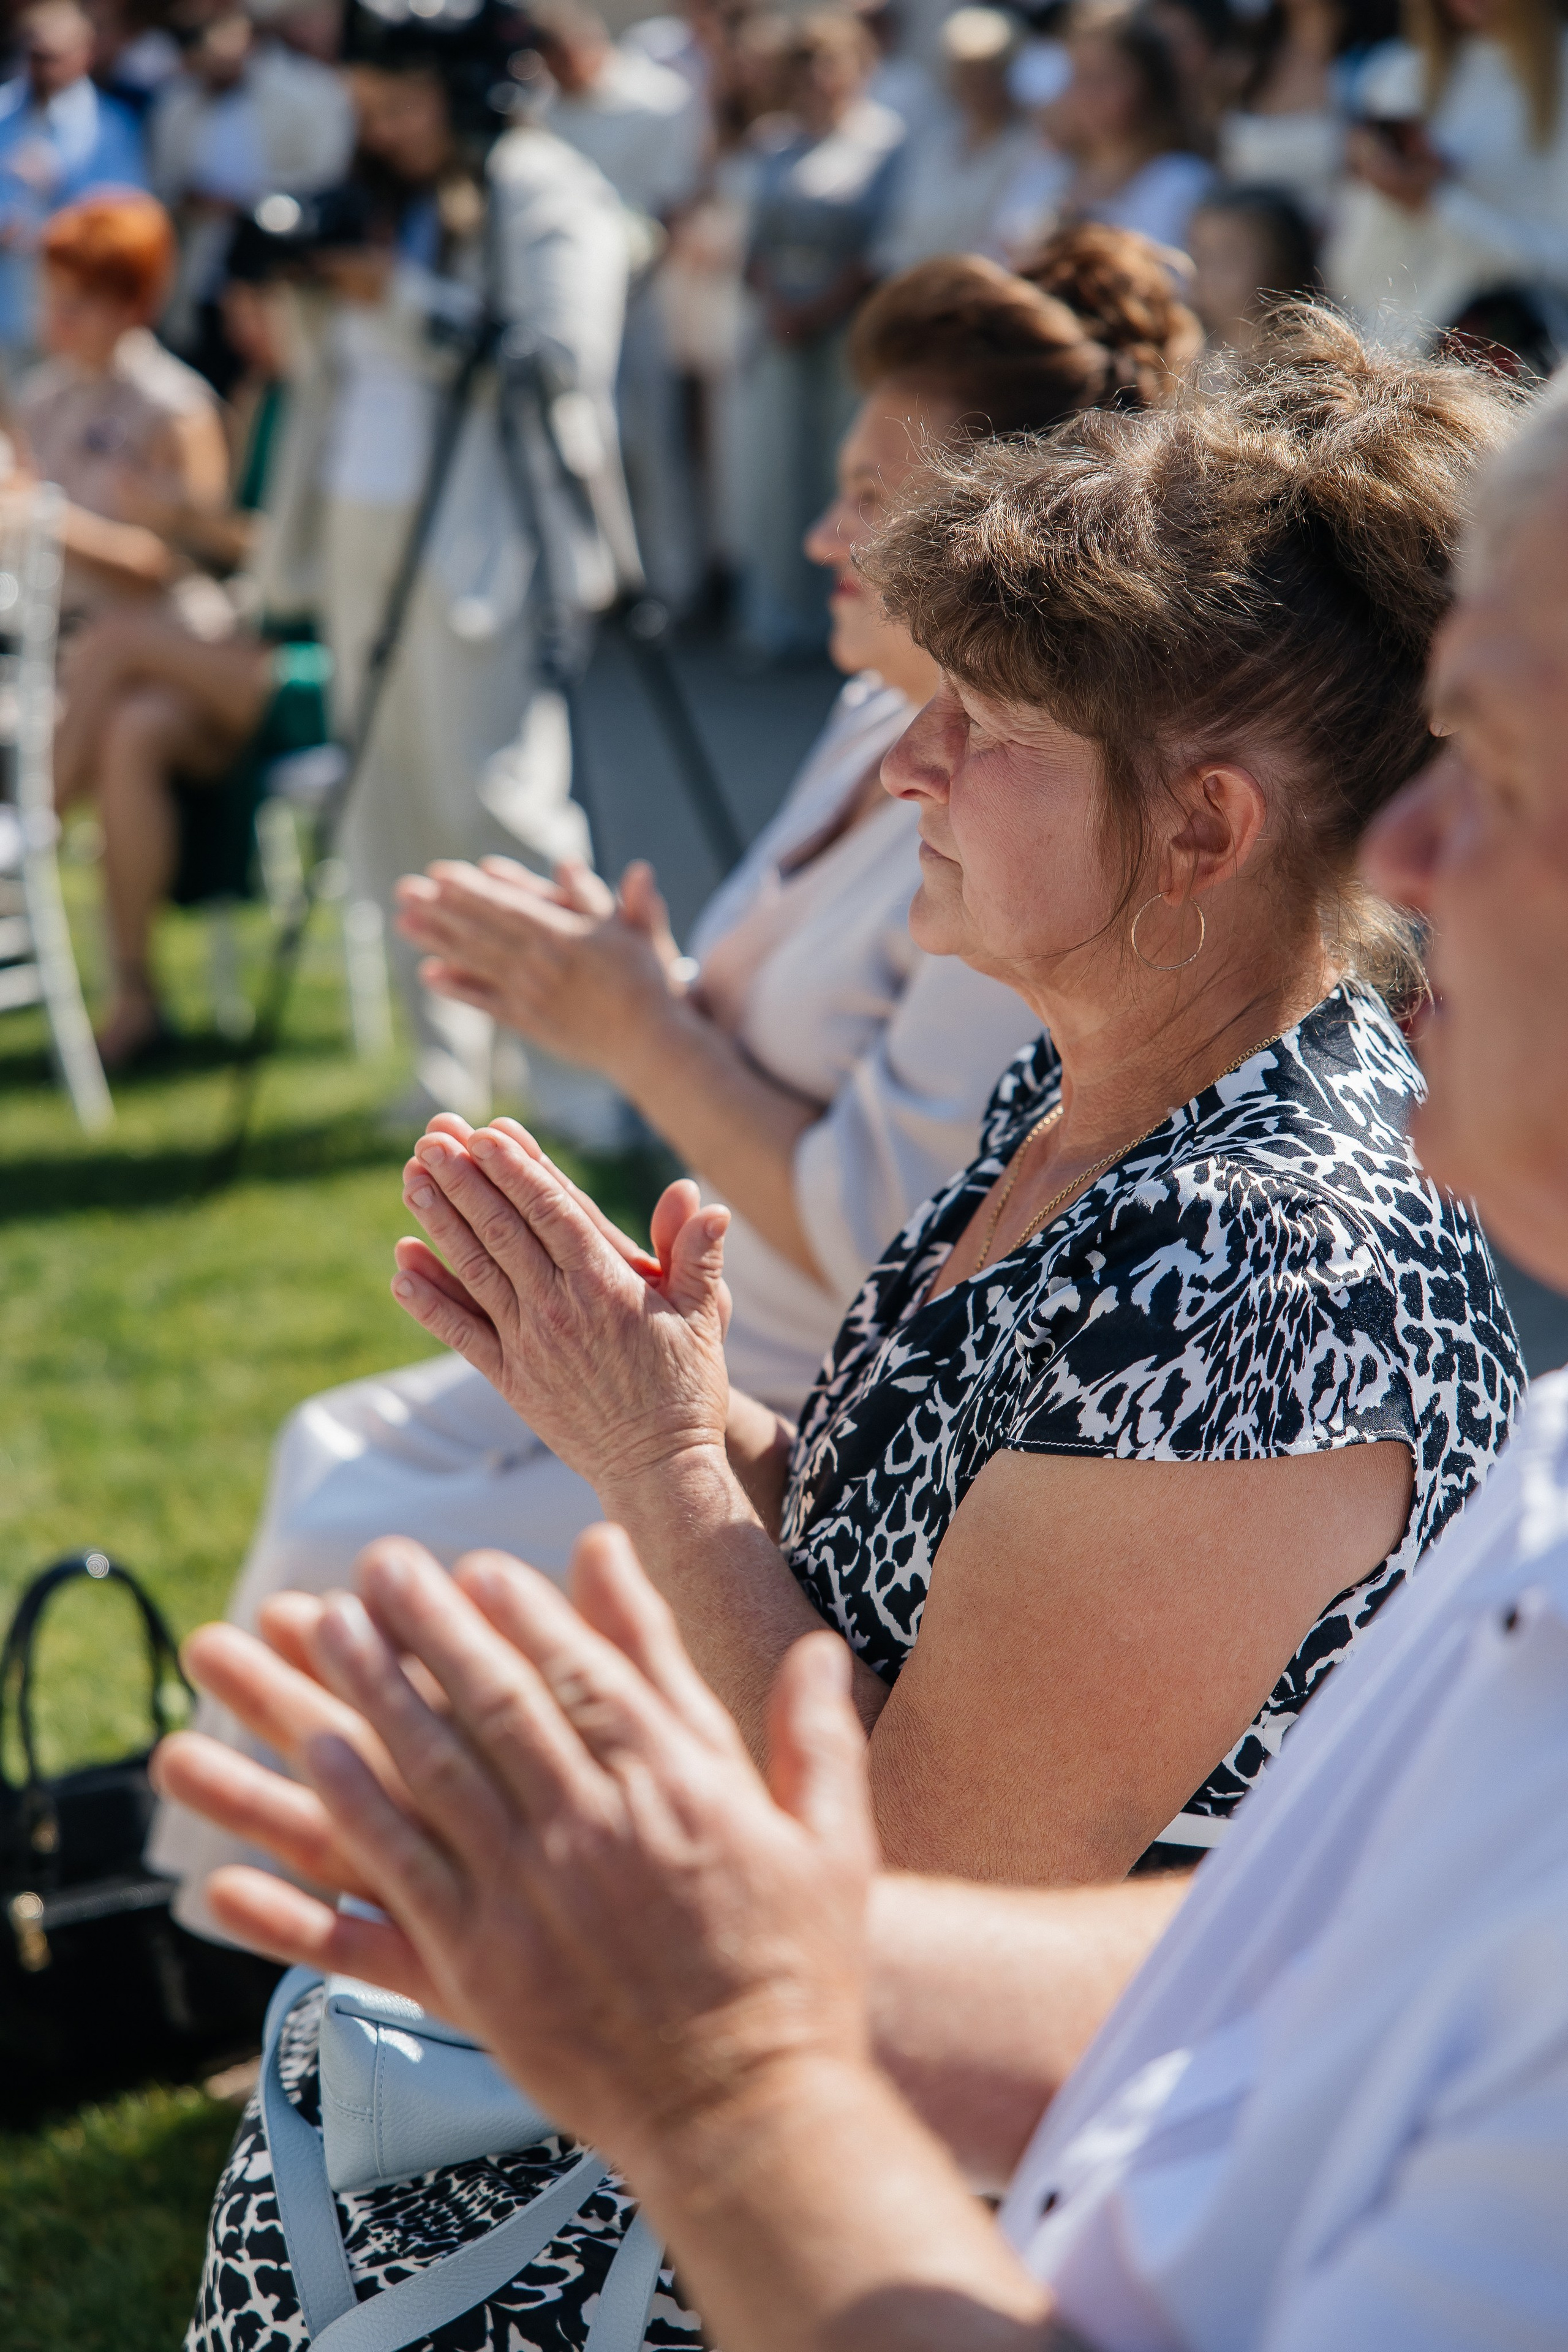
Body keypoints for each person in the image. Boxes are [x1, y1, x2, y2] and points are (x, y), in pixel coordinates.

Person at [159, 357, 1568, 2351]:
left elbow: (913, 1861)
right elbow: (895, 1576)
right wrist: (655, 1400)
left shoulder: (1266, 1289)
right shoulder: (1089, 1100)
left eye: (980, 726)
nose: (905, 767)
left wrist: (656, 1471)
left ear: (1204, 831)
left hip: (962, 2205)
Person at [149, 238, 1195, 1935]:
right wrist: (606, 979)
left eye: (869, 493)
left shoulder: (1020, 830)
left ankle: (339, 1958)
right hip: (706, 1335)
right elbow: (719, 1004)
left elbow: (869, 1225)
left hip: (780, 1369)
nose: (814, 532)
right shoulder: (883, 725)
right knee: (329, 1439)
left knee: (364, 1515)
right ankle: (287, 1960)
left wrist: (637, 1029)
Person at [267, 45, 630, 1125]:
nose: (381, 130)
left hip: (482, 540)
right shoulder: (381, 195)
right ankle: (449, 1074)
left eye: (402, 105)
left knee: (501, 802)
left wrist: (402, 298)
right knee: (392, 806)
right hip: (359, 525)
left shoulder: (542, 186)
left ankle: (579, 1078)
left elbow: (559, 360)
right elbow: (324, 368)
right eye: (366, 106)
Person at [48, 224, 325, 1067]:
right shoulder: (257, 395)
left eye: (261, 305)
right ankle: (137, 998)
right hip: (229, 657)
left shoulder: (311, 400)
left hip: (304, 665)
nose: (246, 323)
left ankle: (29, 826)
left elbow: (263, 560)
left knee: (120, 641)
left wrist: (168, 516)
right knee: (134, 729)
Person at [735, 8, 905, 657]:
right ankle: (780, 619)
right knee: (776, 471)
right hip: (781, 324)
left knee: (848, 469)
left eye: (833, 65)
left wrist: (825, 304)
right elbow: (754, 241)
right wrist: (777, 303)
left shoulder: (884, 141)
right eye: (808, 67)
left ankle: (852, 621)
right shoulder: (772, 143)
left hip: (848, 325)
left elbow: (881, 244)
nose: (820, 80)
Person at [529, 0, 707, 612]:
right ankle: (598, 582)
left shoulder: (658, 100)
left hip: (642, 298)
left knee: (652, 444)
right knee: (582, 438)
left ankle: (673, 584)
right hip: (562, 301)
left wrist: (624, 277)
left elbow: (675, 204)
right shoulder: (541, 108)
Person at [9, 189, 230, 632]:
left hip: (147, 649)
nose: (59, 316)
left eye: (80, 301)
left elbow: (188, 560)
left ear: (133, 306)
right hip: (40, 632)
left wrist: (46, 520)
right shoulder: (40, 395)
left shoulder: (177, 407)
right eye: (52, 296)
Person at [1327, 0, 1568, 356]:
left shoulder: (1558, 78)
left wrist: (1435, 202)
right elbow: (1351, 269)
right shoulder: (1398, 75)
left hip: (1523, 358)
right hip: (1398, 355)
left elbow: (1557, 261)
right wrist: (1379, 185)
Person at [146, 1, 353, 377]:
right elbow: (160, 190)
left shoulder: (311, 93)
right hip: (198, 280)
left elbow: (326, 188)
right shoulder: (178, 100)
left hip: (277, 284)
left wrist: (248, 207)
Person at [991, 2, 1215, 269]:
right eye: (1080, 76)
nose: (1089, 95)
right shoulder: (1045, 171)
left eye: (1107, 77)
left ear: (1150, 84)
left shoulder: (1183, 183)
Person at [0, 0, 145, 367]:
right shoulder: (2, 112)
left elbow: (128, 223)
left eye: (52, 57)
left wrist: (60, 189)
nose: (40, 67)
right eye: (33, 55)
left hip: (66, 314)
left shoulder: (110, 127)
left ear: (85, 56)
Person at [873, 7, 1037, 278]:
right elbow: (902, 224)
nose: (976, 84)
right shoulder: (934, 139)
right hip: (912, 283)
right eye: (966, 71)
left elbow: (1006, 234)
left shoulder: (1029, 146)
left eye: (987, 72)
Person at [1186, 181, 1319, 353]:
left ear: (1282, 265)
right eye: (1200, 256)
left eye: (1229, 258)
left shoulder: (1306, 358)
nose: (1208, 274)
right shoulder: (1182, 352)